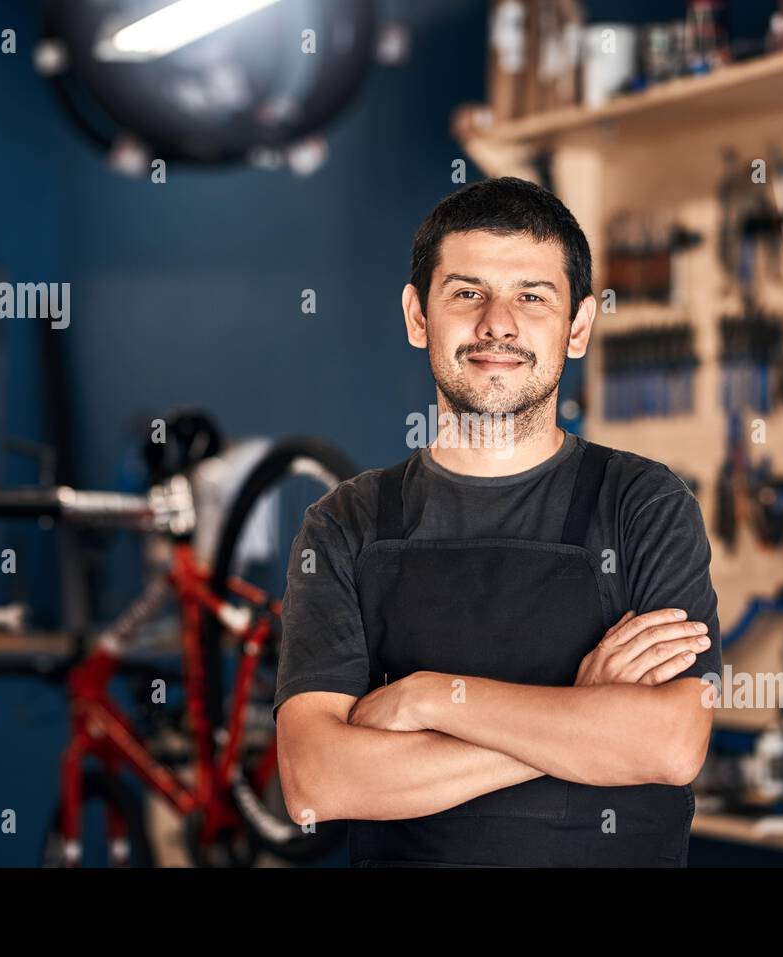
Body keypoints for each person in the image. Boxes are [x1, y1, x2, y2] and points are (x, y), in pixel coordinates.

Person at [273, 176, 721, 867]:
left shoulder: (643, 503)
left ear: (578, 327)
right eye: (467, 292)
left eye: (532, 296)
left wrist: (428, 697)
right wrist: (581, 713)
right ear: (418, 315)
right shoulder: (346, 524)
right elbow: (317, 781)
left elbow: (668, 744)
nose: (498, 323)